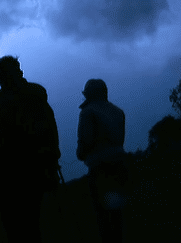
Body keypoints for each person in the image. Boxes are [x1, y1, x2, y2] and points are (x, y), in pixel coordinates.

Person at [0, 55, 61, 243]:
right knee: (31, 226)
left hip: (11, 177)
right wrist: (52, 159)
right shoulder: (36, 94)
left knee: (16, 229)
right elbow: (51, 129)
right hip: (35, 173)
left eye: (1, 73)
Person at [77, 79, 128, 243]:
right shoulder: (118, 112)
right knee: (117, 214)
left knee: (103, 217)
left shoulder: (88, 112)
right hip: (120, 165)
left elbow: (86, 142)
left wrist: (81, 153)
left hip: (100, 168)